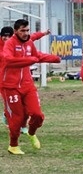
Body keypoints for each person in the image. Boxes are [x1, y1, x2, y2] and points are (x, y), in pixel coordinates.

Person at [1, 19, 61, 154]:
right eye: (22, 30)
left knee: (37, 115)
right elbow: (8, 60)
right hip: (10, 86)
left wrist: (53, 58)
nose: (26, 33)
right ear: (15, 31)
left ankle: (31, 132)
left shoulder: (29, 42)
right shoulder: (9, 44)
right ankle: (13, 145)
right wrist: (29, 60)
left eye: (27, 30)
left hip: (27, 85)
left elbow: (36, 55)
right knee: (17, 117)